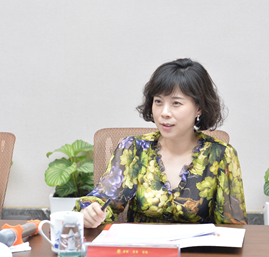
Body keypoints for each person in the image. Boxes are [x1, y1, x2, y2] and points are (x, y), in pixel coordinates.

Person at [75, 58, 247, 227]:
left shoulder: (221, 154)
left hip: (197, 246)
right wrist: (91, 212)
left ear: (199, 108)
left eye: (176, 103)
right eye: (158, 102)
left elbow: (233, 226)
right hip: (142, 245)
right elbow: (103, 201)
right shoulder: (133, 149)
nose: (164, 112)